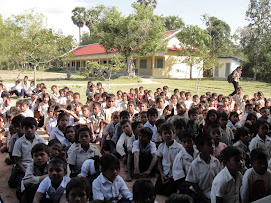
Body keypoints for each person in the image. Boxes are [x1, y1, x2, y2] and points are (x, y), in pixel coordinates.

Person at [185, 135, 221, 202]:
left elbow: (219, 178)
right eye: (209, 145)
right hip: (199, 193)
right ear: (200, 148)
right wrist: (204, 198)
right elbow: (194, 183)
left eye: (213, 144)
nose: (212, 147)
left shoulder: (215, 161)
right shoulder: (195, 164)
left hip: (213, 192)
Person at [155, 123, 182, 197]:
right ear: (161, 135)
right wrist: (161, 174)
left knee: (169, 193)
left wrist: (173, 176)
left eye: (170, 133)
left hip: (175, 175)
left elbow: (181, 165)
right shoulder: (161, 146)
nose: (168, 135)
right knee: (157, 190)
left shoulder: (179, 148)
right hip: (164, 173)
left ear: (174, 133)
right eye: (165, 133)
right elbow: (159, 161)